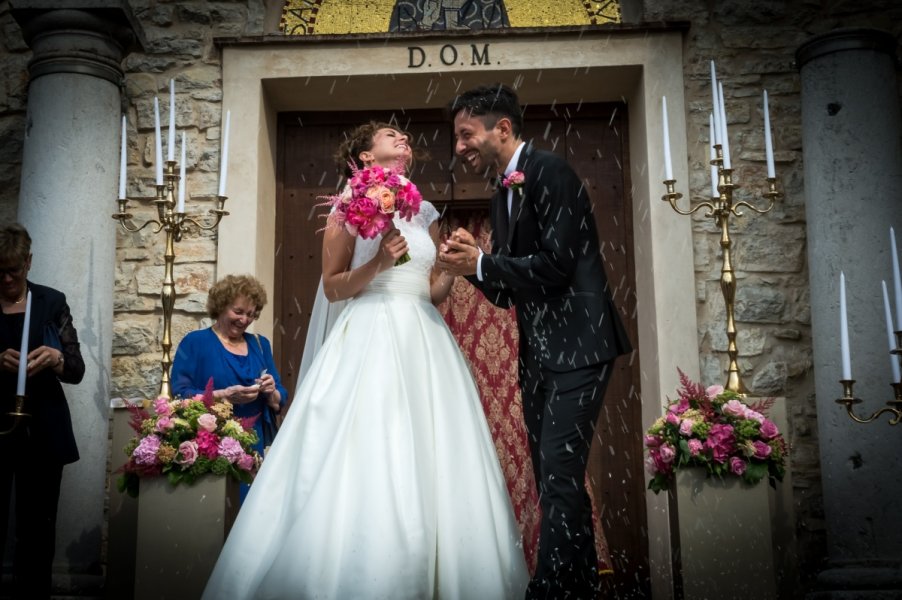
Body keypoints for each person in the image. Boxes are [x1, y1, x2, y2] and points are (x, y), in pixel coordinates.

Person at [202, 121, 529, 599]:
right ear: (366, 156)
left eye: (405, 135)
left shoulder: (424, 211)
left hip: (425, 339)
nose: (403, 139)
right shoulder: (345, 209)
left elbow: (433, 290)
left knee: (435, 449)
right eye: (389, 134)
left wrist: (454, 268)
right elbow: (333, 286)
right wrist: (378, 264)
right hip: (371, 334)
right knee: (370, 444)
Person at [438, 84, 632, 598]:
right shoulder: (503, 190)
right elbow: (508, 293)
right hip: (541, 354)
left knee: (561, 477)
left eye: (466, 134)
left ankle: (548, 591)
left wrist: (481, 261)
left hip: (580, 348)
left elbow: (556, 264)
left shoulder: (551, 171)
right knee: (555, 479)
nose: (459, 146)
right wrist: (470, 266)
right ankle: (582, 587)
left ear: (502, 128)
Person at [0, 223, 85, 599]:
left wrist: (55, 358)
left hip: (42, 429)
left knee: (37, 528)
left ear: (28, 263)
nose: (6, 279)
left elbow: (77, 369)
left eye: (13, 270)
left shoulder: (51, 302)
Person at [170, 274, 287, 502]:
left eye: (251, 315)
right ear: (221, 305)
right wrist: (223, 396)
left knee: (253, 509)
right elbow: (179, 393)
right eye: (239, 312)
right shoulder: (195, 342)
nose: (245, 320)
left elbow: (280, 395)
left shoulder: (261, 345)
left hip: (254, 443)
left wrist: (271, 390)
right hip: (212, 443)